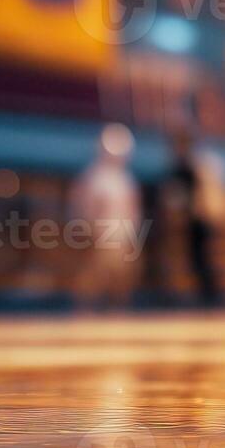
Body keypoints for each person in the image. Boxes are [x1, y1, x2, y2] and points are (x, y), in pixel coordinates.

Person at [70, 124, 144, 309]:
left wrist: (132, 236)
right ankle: (84, 313)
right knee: (94, 279)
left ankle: (118, 314)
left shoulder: (126, 178)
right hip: (100, 238)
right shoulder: (94, 176)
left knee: (121, 280)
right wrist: (88, 233)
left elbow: (132, 209)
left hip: (122, 237)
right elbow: (86, 208)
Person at [164, 127, 225, 306]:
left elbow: (192, 195)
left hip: (200, 217)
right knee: (199, 256)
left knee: (200, 257)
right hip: (200, 217)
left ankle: (210, 295)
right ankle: (209, 294)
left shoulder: (195, 165)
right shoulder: (198, 163)